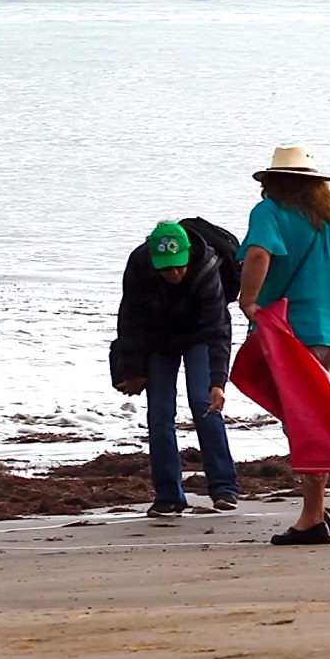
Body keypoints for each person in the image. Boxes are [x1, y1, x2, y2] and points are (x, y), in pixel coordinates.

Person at [237, 144, 330, 545]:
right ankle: (316, 513)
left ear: (272, 182)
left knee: (303, 424)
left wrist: (248, 300)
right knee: (308, 419)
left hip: (292, 334)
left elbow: (258, 254)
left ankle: (311, 518)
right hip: (329, 335)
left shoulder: (269, 213)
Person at [113, 221, 240, 517]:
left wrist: (218, 382)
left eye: (179, 266)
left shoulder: (207, 268)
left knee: (203, 401)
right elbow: (129, 321)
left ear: (187, 255)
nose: (174, 274)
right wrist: (133, 371)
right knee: (159, 415)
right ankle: (169, 496)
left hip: (200, 337)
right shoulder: (139, 264)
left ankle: (224, 486)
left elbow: (218, 330)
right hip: (158, 341)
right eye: (167, 268)